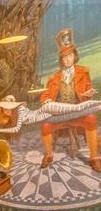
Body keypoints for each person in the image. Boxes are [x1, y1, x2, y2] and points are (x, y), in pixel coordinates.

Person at [40, 28, 100, 170]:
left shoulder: (83, 72)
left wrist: (89, 93)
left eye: (70, 55)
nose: (68, 59)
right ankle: (48, 155)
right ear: (61, 59)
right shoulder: (54, 77)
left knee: (91, 119)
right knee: (45, 126)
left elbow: (88, 89)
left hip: (78, 113)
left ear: (75, 56)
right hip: (60, 115)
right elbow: (45, 94)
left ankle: (94, 158)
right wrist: (46, 100)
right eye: (65, 57)